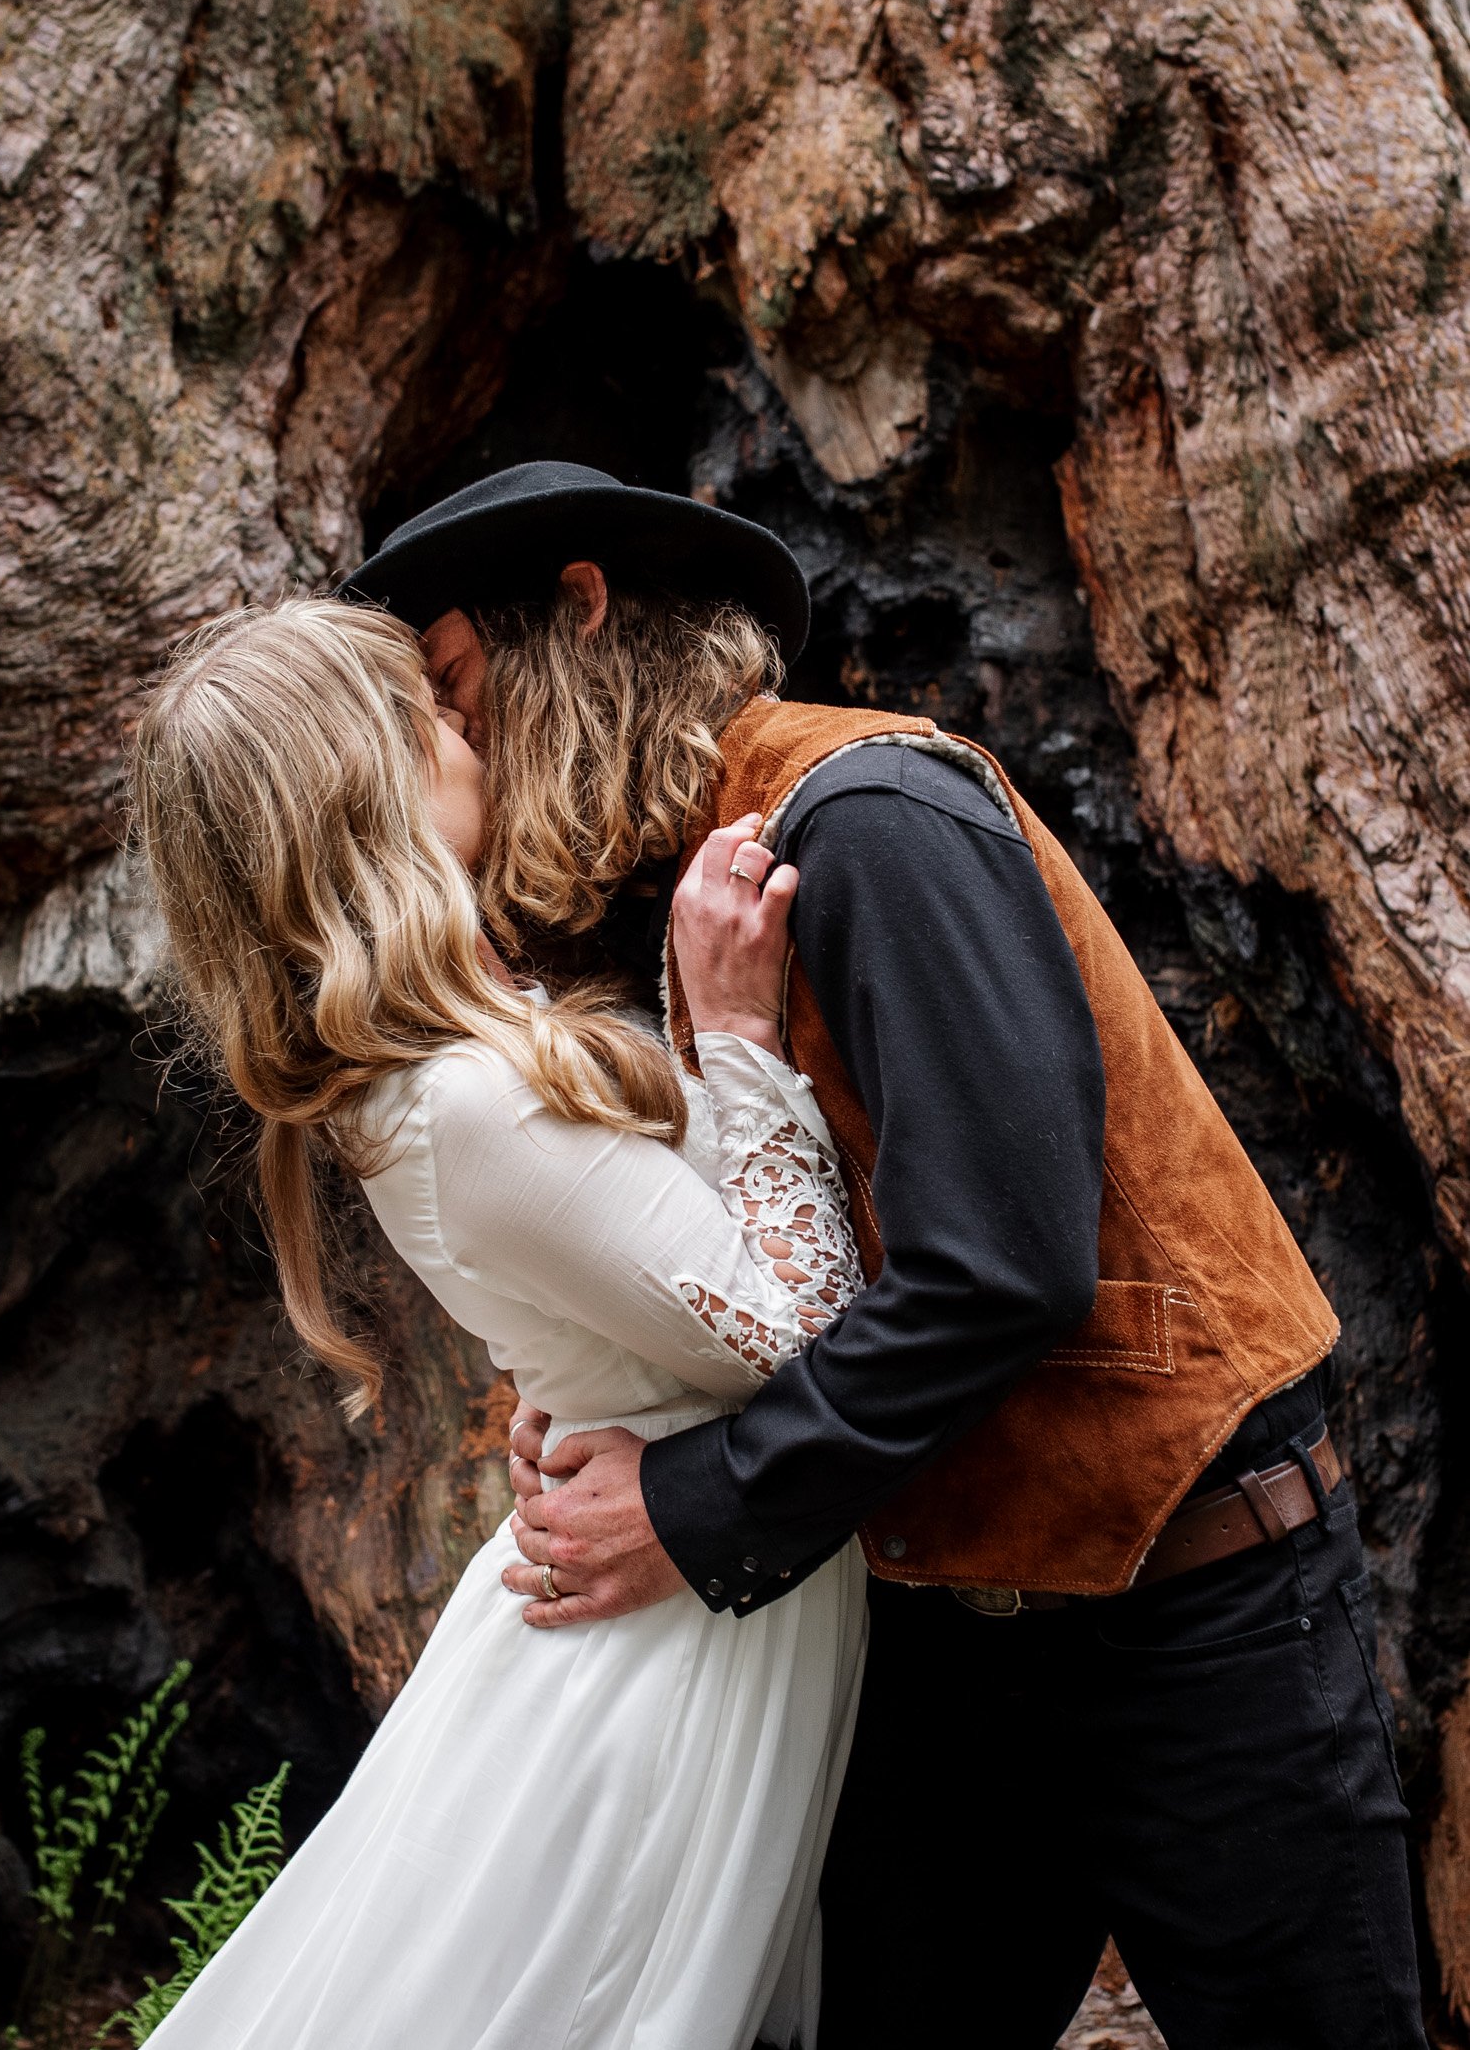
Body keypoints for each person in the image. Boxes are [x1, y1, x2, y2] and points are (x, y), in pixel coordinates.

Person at [345, 458, 1430, 2050]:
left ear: (577, 615)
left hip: (1200, 1618)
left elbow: (999, 1264)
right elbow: (751, 1259)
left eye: (453, 691)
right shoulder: (657, 894)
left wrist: (690, 1503)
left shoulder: (868, 817)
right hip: (935, 1650)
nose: (456, 755)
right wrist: (613, 1393)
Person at [129, 597, 870, 2050]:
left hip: (675, 1594)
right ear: (368, 785)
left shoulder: (434, 1072)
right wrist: (733, 1034)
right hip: (655, 1668)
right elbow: (814, 1337)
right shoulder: (472, 1099)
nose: (469, 723)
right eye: (429, 713)